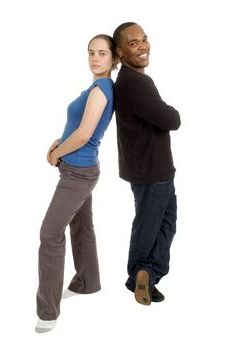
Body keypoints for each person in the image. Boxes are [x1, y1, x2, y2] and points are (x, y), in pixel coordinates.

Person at [35, 34, 117, 333]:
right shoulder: (95, 87)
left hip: (78, 173)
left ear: (114, 59)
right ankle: (87, 282)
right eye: (91, 53)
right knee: (82, 225)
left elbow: (84, 134)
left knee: (49, 234)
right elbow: (78, 129)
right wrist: (59, 142)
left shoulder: (102, 88)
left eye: (102, 54)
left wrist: (58, 152)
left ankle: (47, 311)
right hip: (80, 168)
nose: (95, 58)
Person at [112, 22, 181, 306]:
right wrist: (171, 109)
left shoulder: (129, 82)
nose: (142, 46)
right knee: (150, 225)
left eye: (144, 39)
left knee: (163, 222)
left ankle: (148, 274)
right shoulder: (136, 82)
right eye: (133, 43)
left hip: (147, 168)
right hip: (153, 171)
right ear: (119, 52)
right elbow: (171, 120)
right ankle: (139, 275)